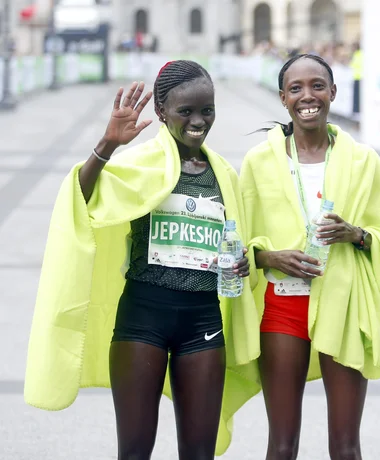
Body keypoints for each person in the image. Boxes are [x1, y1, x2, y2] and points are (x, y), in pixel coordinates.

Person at [24, 60, 260, 459]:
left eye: (208, 110)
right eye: (186, 111)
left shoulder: (224, 175)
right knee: (134, 453)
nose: (199, 121)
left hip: (203, 320)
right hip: (142, 319)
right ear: (161, 112)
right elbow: (83, 199)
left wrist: (242, 262)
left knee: (199, 454)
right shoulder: (141, 164)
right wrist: (108, 145)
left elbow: (237, 245)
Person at [239, 54, 380, 460]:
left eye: (317, 85)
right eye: (295, 88)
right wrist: (269, 258)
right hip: (283, 307)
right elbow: (240, 244)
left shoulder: (363, 160)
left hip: (344, 303)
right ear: (282, 98)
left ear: (333, 92)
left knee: (346, 447)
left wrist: (357, 234)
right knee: (281, 446)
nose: (307, 96)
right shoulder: (259, 162)